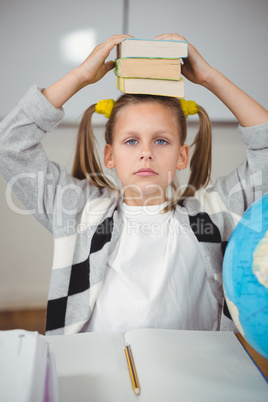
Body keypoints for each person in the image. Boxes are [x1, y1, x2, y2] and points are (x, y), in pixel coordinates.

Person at [0, 34, 267, 335]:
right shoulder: (80, 212)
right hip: (100, 368)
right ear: (110, 156)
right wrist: (79, 77)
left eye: (161, 140)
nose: (146, 152)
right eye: (131, 141)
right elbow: (10, 144)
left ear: (182, 156)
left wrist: (210, 78)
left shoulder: (215, 214)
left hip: (194, 370)